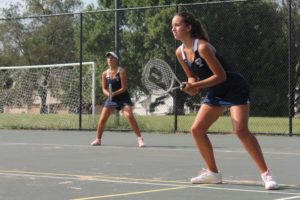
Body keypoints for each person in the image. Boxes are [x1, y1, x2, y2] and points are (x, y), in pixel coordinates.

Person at [171, 12, 278, 190]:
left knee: (240, 130)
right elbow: (191, 77)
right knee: (197, 130)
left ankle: (266, 175)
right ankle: (213, 173)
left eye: (177, 25)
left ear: (188, 27)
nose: (173, 29)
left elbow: (220, 76)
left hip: (234, 87)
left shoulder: (203, 47)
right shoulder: (179, 53)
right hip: (216, 91)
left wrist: (196, 85)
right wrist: (190, 86)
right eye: (172, 26)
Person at [91, 51, 145, 147]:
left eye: (111, 58)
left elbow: (124, 88)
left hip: (123, 98)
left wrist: (114, 93)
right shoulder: (104, 74)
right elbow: (103, 88)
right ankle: (98, 140)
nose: (109, 60)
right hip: (111, 99)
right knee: (102, 120)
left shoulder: (121, 71)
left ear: (116, 60)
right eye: (108, 58)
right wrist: (108, 94)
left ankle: (140, 139)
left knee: (129, 115)